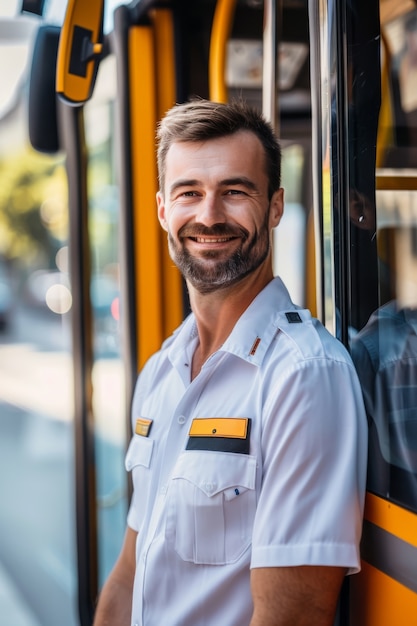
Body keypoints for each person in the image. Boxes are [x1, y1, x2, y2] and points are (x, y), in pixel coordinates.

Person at [93, 98, 368, 626]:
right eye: (189, 193)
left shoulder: (304, 376)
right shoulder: (161, 371)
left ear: (275, 207)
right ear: (161, 211)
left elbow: (292, 617)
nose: (209, 215)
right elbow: (131, 573)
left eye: (235, 192)